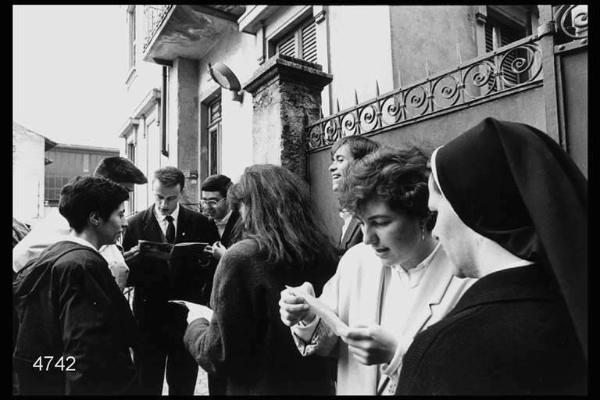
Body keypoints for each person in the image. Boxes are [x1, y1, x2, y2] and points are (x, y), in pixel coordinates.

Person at [395, 118, 587, 395]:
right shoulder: (575, 307)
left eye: (435, 214)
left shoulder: (445, 350)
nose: (434, 231)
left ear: (469, 209)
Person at [279, 146, 475, 395]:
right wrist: (307, 315)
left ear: (421, 215)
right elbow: (329, 342)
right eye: (362, 223)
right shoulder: (356, 260)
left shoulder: (462, 274)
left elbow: (469, 373)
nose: (368, 238)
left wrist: (399, 355)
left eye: (380, 223)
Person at [183, 164, 338, 395]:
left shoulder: (241, 258)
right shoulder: (325, 252)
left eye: (242, 206)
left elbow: (219, 354)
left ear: (250, 207)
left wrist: (195, 323)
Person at [13, 176, 138, 395]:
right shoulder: (83, 266)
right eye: (120, 214)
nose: (125, 222)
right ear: (96, 218)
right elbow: (84, 358)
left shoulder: (54, 255)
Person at [122, 166, 220, 395]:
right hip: (148, 318)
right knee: (147, 383)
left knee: (184, 383)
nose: (164, 204)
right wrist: (133, 260)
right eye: (159, 197)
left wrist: (205, 261)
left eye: (171, 198)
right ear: (152, 192)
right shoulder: (134, 224)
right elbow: (127, 275)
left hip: (185, 319)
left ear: (181, 193)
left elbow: (214, 270)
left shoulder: (201, 223)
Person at [12, 156, 147, 290]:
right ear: (104, 186)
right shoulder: (69, 219)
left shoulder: (102, 220)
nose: (127, 198)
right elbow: (20, 257)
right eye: (125, 191)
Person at [329, 136, 380, 255]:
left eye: (340, 160)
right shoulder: (349, 211)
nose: (331, 167)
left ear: (361, 164)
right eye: (333, 160)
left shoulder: (369, 213)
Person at [201, 174, 241, 262]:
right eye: (204, 201)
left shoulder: (243, 223)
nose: (207, 207)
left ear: (229, 199)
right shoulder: (203, 223)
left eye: (213, 202)